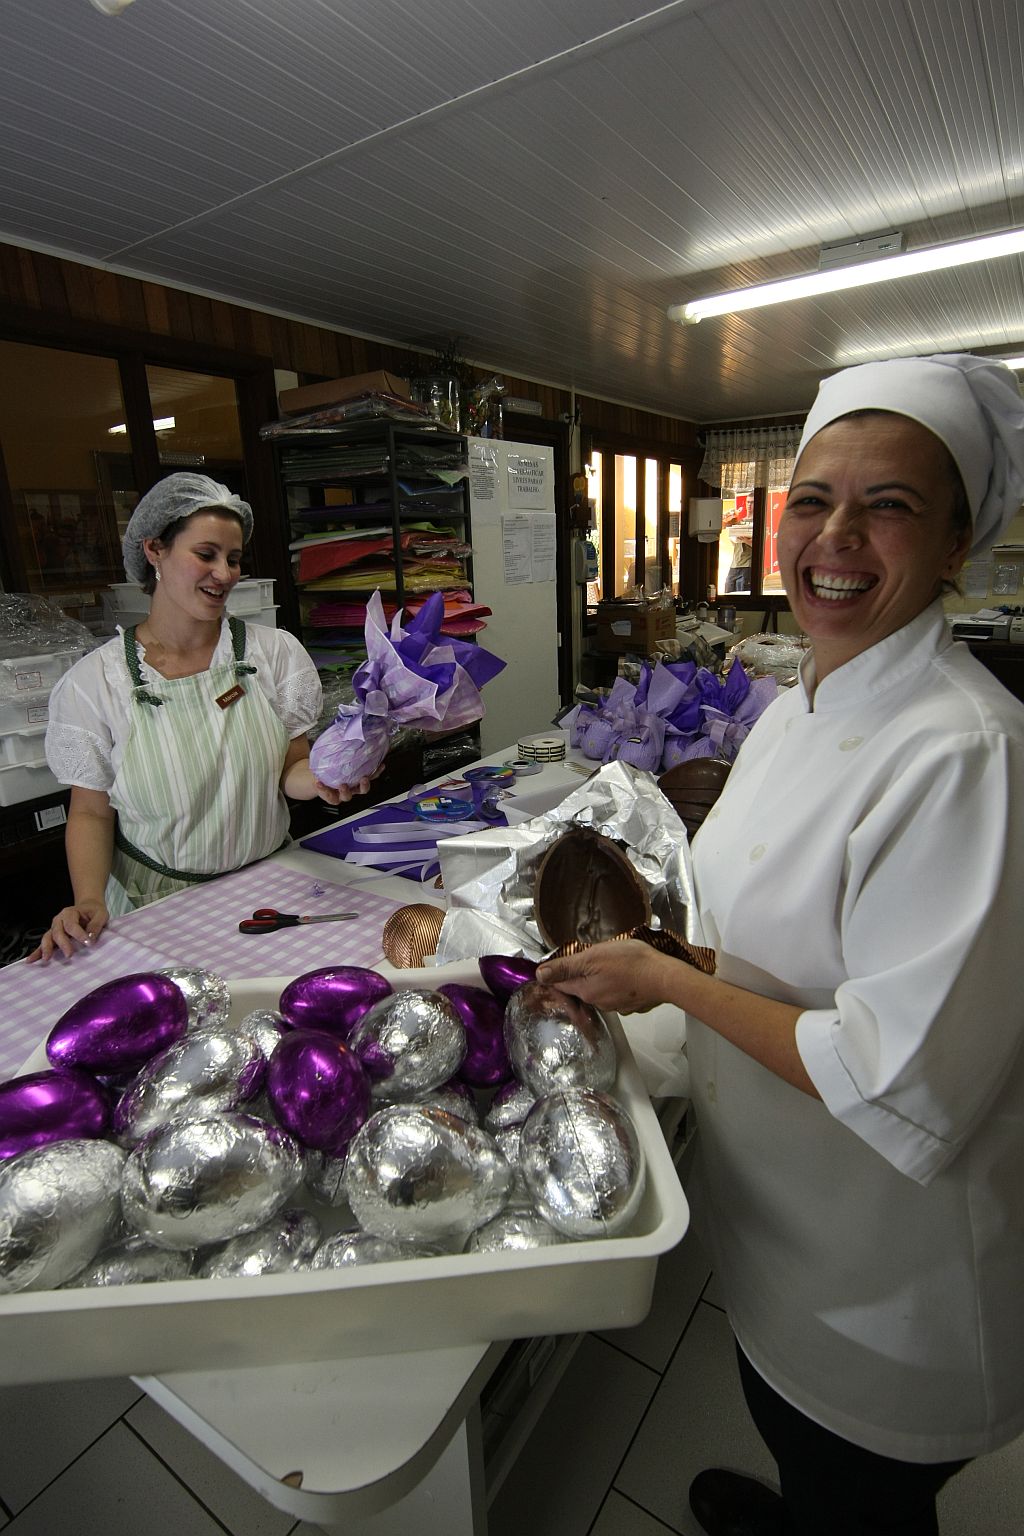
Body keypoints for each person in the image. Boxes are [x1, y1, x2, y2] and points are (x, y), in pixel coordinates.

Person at [538, 354, 1024, 1536]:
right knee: (797, 1450)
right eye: (812, 500)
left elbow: (888, 1068)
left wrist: (663, 977)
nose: (835, 535)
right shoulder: (801, 703)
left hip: (883, 1278)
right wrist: (660, 965)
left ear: (957, 545)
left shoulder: (965, 751)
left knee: (861, 1495)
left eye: (890, 504)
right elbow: (778, 953)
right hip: (780, 1228)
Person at [31, 472, 370, 963]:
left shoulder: (272, 654)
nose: (225, 573)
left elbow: (288, 773)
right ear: (155, 551)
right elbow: (90, 811)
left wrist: (325, 777)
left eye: (233, 559)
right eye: (206, 554)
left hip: (273, 887)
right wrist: (88, 899)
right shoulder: (96, 683)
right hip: (159, 910)